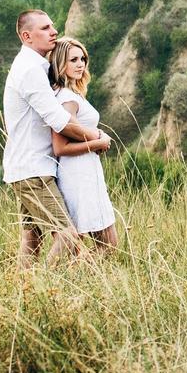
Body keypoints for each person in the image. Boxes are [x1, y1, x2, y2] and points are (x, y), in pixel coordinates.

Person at [2, 9, 108, 268]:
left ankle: (23, 291)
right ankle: (47, 289)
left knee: (32, 237)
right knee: (68, 235)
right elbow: (58, 120)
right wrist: (97, 137)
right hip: (33, 170)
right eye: (46, 28)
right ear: (27, 36)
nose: (54, 31)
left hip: (26, 168)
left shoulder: (33, 67)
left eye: (53, 26)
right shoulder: (30, 70)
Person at [48, 37, 118, 251]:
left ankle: (78, 279)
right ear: (60, 64)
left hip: (86, 172)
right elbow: (60, 147)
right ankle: (61, 279)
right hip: (78, 176)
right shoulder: (66, 99)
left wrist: (97, 141)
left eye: (83, 59)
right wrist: (98, 143)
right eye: (73, 60)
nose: (81, 64)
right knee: (106, 245)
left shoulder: (71, 94)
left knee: (103, 244)